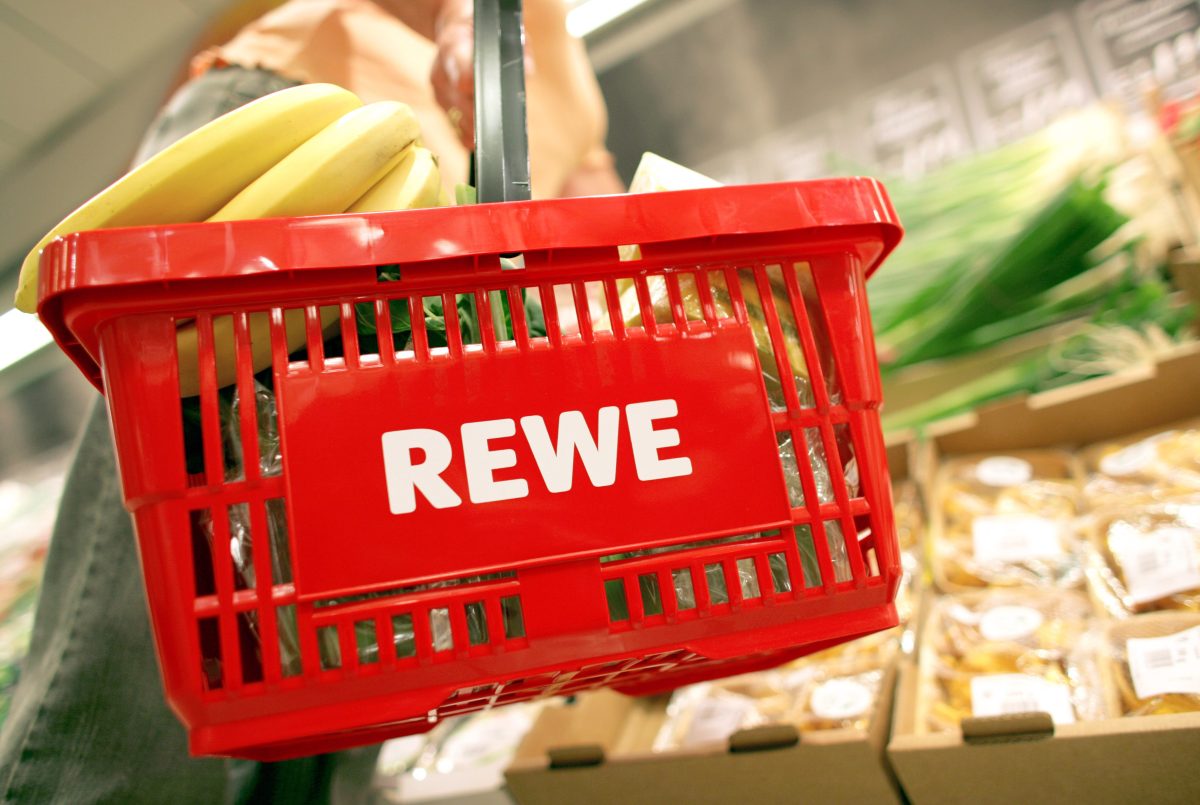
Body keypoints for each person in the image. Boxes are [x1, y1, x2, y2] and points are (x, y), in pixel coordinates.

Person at [0, 2, 620, 802]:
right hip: (313, 154)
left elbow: (594, 209)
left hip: (424, 268)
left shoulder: (563, 55)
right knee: (164, 577)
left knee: (351, 635)